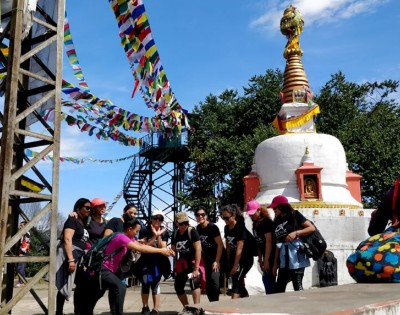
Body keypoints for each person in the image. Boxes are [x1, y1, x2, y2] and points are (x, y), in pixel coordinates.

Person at [89, 218, 175, 315]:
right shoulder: (121, 237)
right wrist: (161, 251)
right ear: (130, 229)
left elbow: (144, 246)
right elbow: (141, 248)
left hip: (110, 270)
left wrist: (166, 251)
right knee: (120, 287)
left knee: (100, 293)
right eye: (136, 231)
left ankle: (91, 310)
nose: (137, 233)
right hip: (103, 268)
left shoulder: (130, 238)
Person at [270, 195, 315, 293]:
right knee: (279, 288)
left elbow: (311, 228)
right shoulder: (276, 221)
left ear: (282, 206)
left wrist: (296, 232)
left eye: (275, 207)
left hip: (296, 255)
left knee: (297, 286)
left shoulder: (294, 215)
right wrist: (275, 263)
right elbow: (278, 242)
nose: (273, 209)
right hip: (283, 257)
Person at [56, 198, 91, 315]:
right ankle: (59, 311)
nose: (89, 210)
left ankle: (78, 311)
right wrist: (71, 259)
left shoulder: (83, 223)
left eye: (90, 208)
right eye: (87, 207)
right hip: (71, 254)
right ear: (78, 208)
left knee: (81, 284)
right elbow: (67, 239)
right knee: (65, 283)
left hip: (80, 256)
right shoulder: (72, 220)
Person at [139, 210, 170, 315]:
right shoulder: (144, 230)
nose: (157, 220)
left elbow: (163, 248)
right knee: (145, 283)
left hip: (158, 261)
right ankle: (145, 306)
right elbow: (145, 247)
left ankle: (156, 309)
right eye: (155, 218)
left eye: (160, 218)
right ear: (151, 218)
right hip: (145, 260)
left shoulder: (165, 232)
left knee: (155, 284)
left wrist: (159, 235)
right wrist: (154, 236)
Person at [221, 204, 253, 299]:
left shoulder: (240, 228)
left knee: (237, 280)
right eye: (223, 218)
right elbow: (228, 246)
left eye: (227, 218)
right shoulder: (226, 228)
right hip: (234, 258)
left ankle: (234, 303)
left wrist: (235, 265)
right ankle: (245, 297)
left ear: (233, 216)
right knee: (235, 279)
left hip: (244, 259)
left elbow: (239, 248)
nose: (225, 220)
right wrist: (228, 262)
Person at [171, 212, 202, 308]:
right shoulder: (175, 234)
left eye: (186, 223)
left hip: (193, 262)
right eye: (181, 223)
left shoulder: (192, 231)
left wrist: (196, 268)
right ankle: (187, 307)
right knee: (178, 287)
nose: (184, 225)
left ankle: (196, 308)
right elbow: (173, 250)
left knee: (194, 284)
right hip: (182, 263)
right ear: (176, 223)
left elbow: (198, 248)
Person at [195, 206, 224, 302]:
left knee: (215, 283)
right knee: (208, 286)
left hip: (216, 259)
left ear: (206, 216)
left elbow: (220, 244)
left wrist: (217, 261)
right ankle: (212, 304)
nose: (200, 217)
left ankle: (215, 303)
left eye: (202, 214)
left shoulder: (212, 227)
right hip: (205, 260)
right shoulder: (197, 229)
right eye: (198, 215)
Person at [246, 200, 276, 294]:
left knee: (267, 279)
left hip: (272, 254)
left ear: (259, 210)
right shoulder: (255, 224)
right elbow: (258, 242)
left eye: (254, 213)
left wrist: (266, 259)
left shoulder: (266, 222)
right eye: (250, 214)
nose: (252, 216)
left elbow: (269, 241)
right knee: (268, 279)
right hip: (263, 254)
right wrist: (260, 259)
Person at [16, 221, 31, 287]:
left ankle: (21, 282)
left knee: (20, 267)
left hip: (23, 252)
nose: (20, 227)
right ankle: (23, 281)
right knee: (21, 267)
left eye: (21, 225)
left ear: (25, 226)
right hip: (21, 252)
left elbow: (25, 244)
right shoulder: (23, 233)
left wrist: (21, 253)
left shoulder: (26, 233)